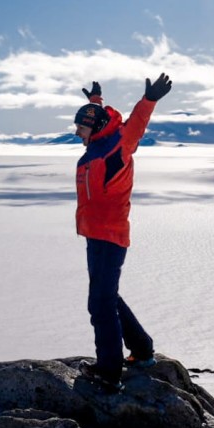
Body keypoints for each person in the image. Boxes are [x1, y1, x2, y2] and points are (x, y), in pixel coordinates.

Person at [73, 74, 172, 392]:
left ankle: (109, 371)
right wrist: (95, 103)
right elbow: (97, 121)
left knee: (100, 303)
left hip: (110, 235)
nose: (77, 133)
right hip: (93, 234)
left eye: (81, 128)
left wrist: (149, 101)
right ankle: (142, 350)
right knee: (107, 296)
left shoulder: (118, 146)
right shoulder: (97, 140)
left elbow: (135, 126)